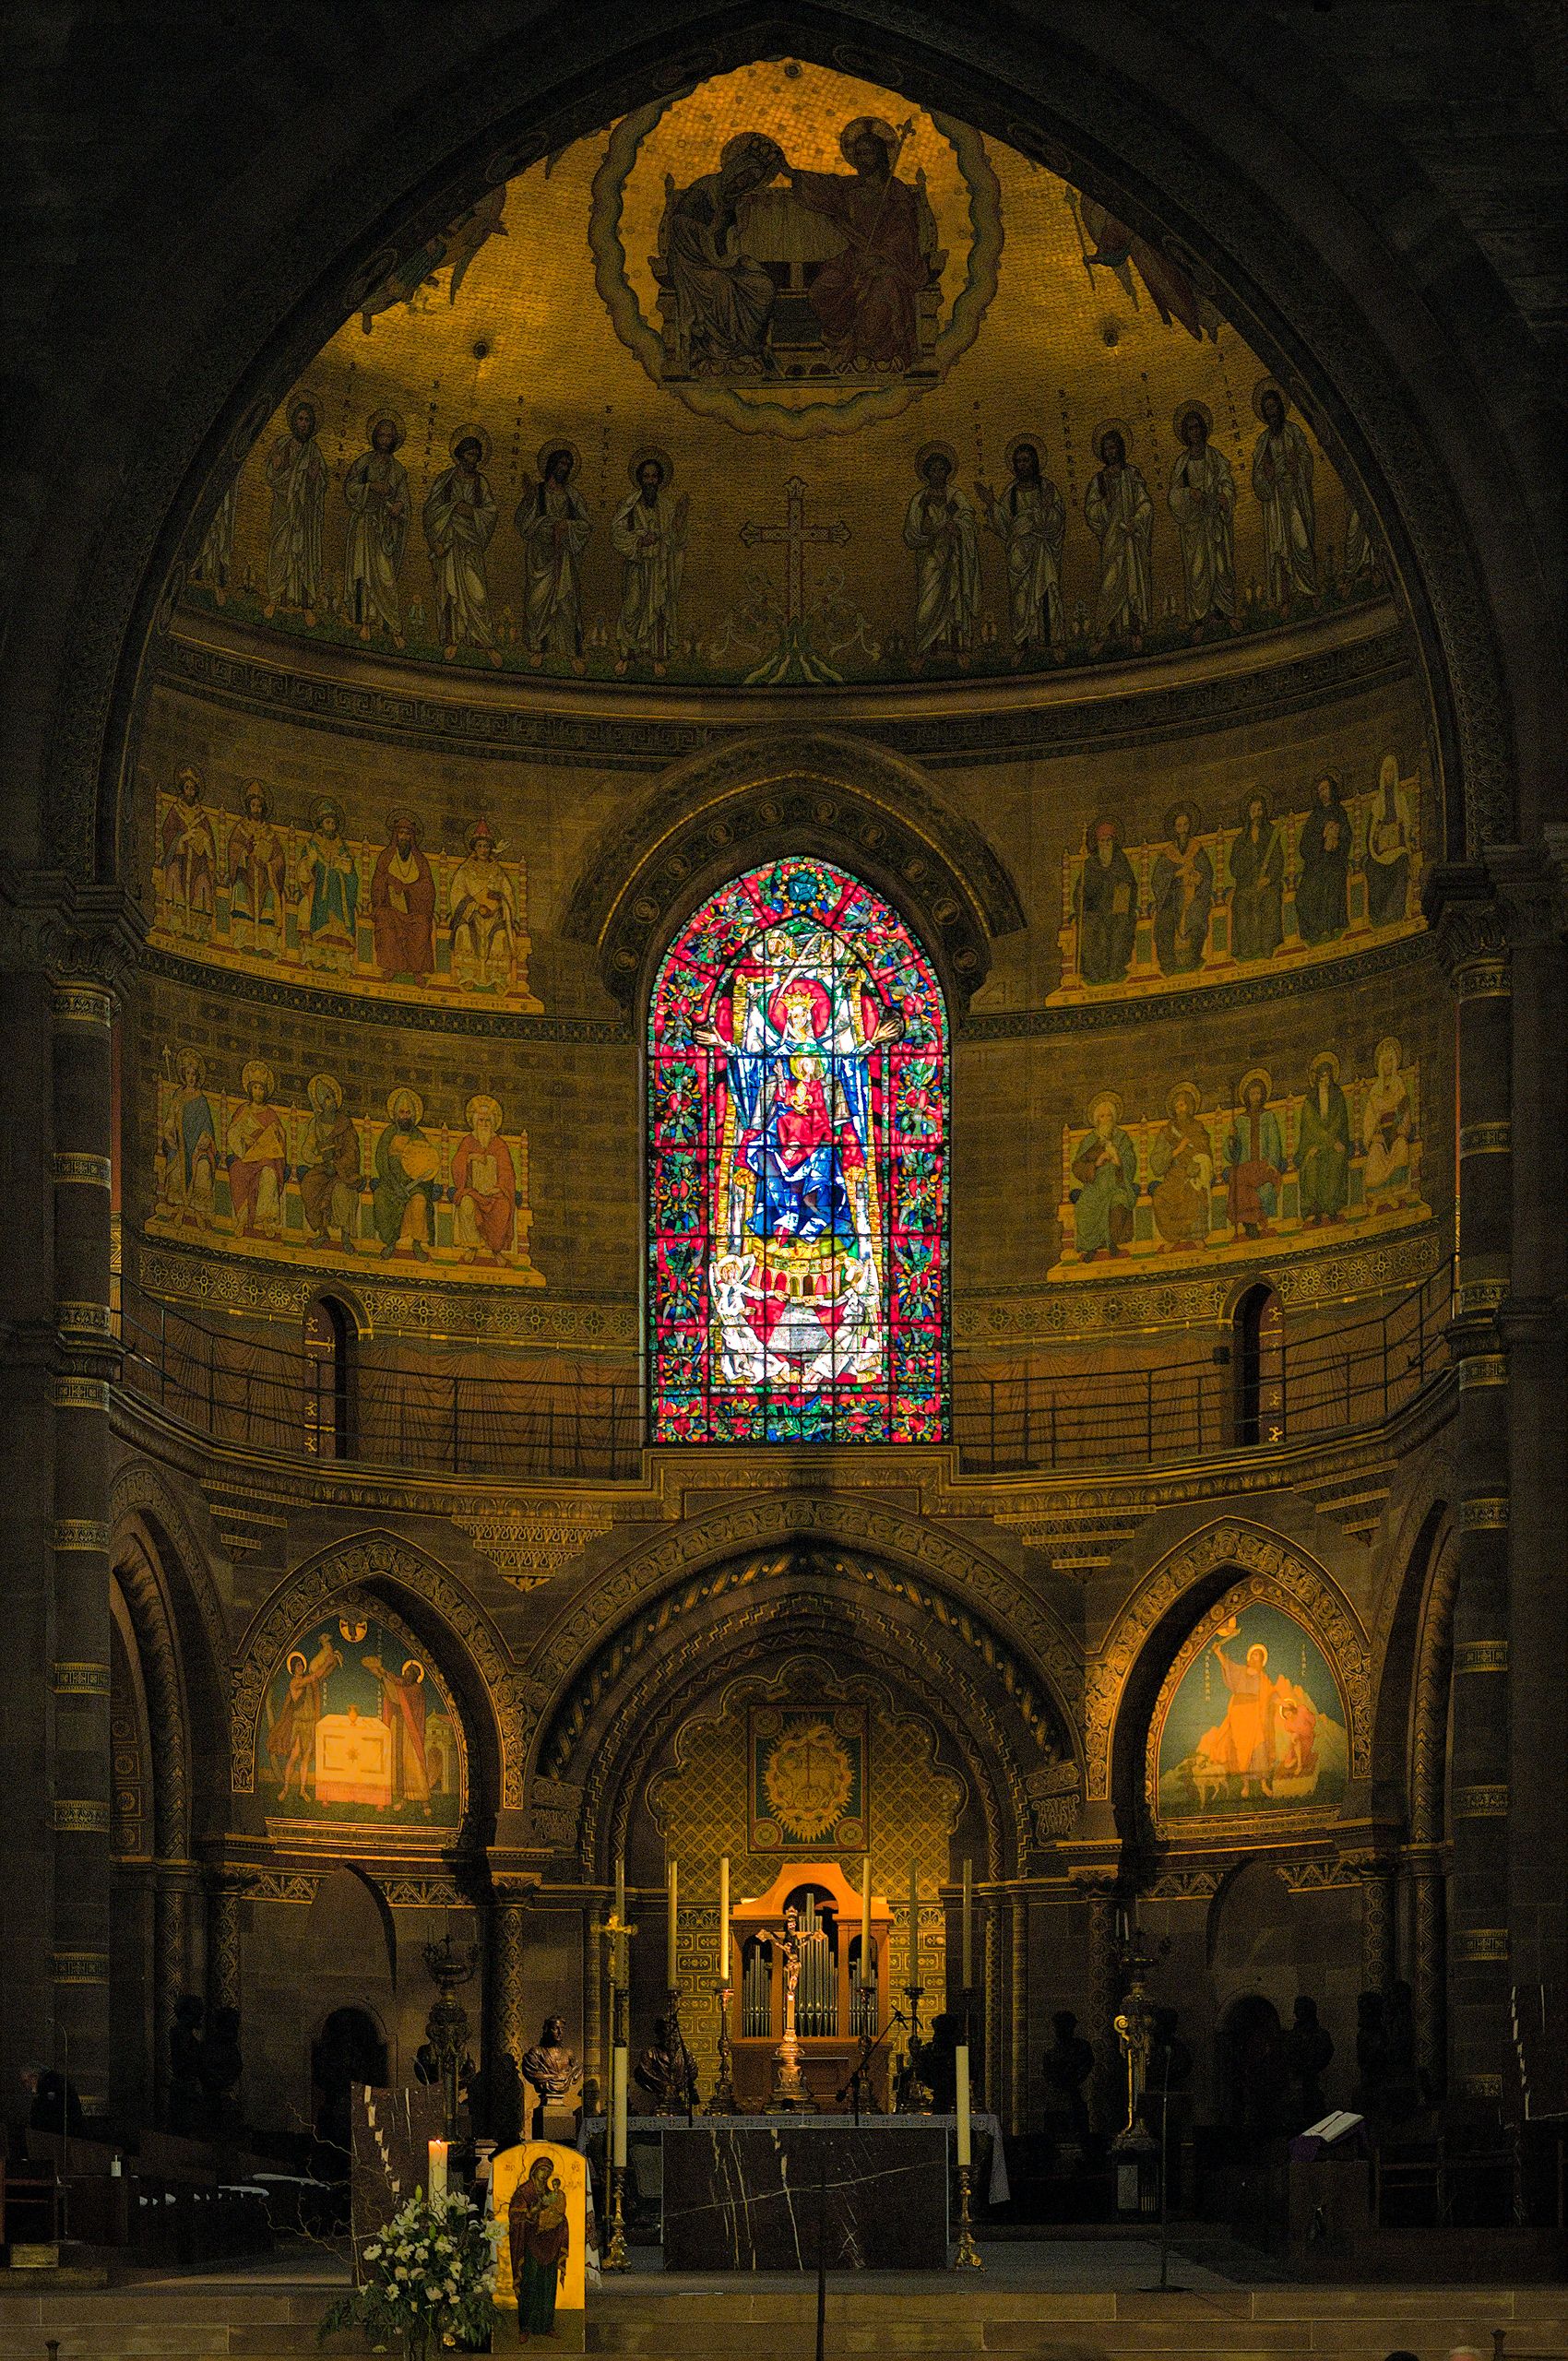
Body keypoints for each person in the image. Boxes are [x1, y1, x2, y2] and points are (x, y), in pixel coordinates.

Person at [786, 116, 927, 374]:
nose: (863, 159)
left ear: (882, 155)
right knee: (823, 289)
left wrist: (880, 257)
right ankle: (842, 344)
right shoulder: (849, 187)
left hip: (892, 263)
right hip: (854, 258)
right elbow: (823, 187)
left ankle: (874, 353)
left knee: (879, 296)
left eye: (869, 153)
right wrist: (790, 173)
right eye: (858, 153)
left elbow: (904, 235)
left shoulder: (896, 192)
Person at [661, 131, 783, 374]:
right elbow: (679, 225)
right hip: (692, 262)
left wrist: (735, 248)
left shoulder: (739, 202)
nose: (744, 183)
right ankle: (719, 351)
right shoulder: (706, 188)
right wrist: (711, 229)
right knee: (721, 287)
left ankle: (751, 347)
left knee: (762, 286)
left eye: (752, 180)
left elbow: (735, 239)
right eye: (743, 176)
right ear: (735, 168)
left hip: (720, 261)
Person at [978, 439, 1066, 661]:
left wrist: (1041, 514)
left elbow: (1057, 520)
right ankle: (1023, 645)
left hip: (1042, 552)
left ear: (1035, 462)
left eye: (1026, 460)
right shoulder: (1012, 492)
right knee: (1020, 601)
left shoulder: (1047, 488)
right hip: (1019, 557)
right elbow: (1006, 525)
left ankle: (1052, 643)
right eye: (1018, 461)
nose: (1022, 465)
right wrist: (991, 504)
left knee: (1046, 596)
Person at [423, 430, 503, 664]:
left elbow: (491, 512)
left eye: (477, 455)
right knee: (449, 593)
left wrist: (472, 512)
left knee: (477, 594)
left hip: (470, 547)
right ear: (459, 455)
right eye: (469, 454)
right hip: (449, 545)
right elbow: (430, 510)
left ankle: (484, 641)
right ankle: (452, 641)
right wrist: (452, 510)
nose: (473, 459)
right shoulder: (445, 479)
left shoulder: (481, 483)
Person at [903, 447, 980, 667]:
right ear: (926, 473)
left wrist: (957, 526)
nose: (938, 473)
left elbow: (968, 519)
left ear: (948, 472)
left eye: (942, 469)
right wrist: (932, 531)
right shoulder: (920, 499)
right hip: (930, 558)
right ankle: (925, 650)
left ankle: (958, 650)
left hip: (954, 556)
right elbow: (911, 532)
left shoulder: (954, 495)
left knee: (953, 601)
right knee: (928, 604)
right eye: (933, 469)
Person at [516, 445, 592, 667]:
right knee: (537, 601)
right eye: (560, 463)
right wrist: (545, 521)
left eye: (568, 465)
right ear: (551, 465)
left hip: (564, 557)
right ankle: (538, 647)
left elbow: (586, 525)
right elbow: (523, 523)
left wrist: (566, 526)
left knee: (566, 602)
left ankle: (569, 651)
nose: (564, 468)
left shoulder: (572, 495)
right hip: (540, 556)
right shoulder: (538, 492)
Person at [612, 454, 688, 675]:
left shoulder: (667, 507)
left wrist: (680, 521)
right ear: (639, 479)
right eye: (646, 476)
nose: (650, 481)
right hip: (637, 566)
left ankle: (657, 658)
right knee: (632, 608)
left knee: (659, 611)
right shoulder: (630, 505)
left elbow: (677, 540)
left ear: (660, 479)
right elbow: (616, 533)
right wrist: (639, 539)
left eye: (654, 476)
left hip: (659, 567)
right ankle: (626, 656)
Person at [1168, 403, 1237, 639]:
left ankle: (1226, 612)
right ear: (1185, 434)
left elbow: (1227, 482)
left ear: (1204, 429)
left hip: (1214, 522)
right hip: (1195, 527)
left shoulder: (1215, 456)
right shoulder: (1182, 463)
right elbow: (1174, 495)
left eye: (1197, 427)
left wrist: (1224, 496)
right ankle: (1200, 618)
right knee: (1198, 571)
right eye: (1189, 429)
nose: (1194, 432)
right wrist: (1189, 495)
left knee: (1220, 567)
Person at [1083, 425, 1153, 653]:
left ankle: (1134, 632)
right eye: (1107, 449)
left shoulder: (1131, 474)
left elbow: (1145, 503)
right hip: (1112, 542)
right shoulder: (1099, 481)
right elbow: (1091, 511)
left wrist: (1137, 520)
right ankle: (1106, 633)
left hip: (1131, 539)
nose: (1111, 452)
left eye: (1114, 447)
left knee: (1132, 583)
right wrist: (1106, 503)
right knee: (1109, 586)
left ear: (1121, 449)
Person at [343, 411, 410, 645]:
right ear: (374, 436)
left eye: (389, 436)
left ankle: (391, 625)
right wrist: (370, 487)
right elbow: (349, 487)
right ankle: (364, 623)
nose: (384, 440)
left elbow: (404, 499)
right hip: (364, 522)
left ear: (394, 440)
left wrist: (398, 507)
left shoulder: (399, 470)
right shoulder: (364, 461)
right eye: (381, 435)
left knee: (385, 577)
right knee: (362, 573)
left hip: (385, 529)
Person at [1251, 382, 1317, 612]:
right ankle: (1285, 599)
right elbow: (1257, 474)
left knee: (1301, 542)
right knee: (1279, 549)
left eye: (1273, 406)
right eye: (1266, 408)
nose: (1271, 412)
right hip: (1276, 501)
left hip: (1295, 495)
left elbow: (1306, 456)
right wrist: (1265, 477)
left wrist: (1297, 464)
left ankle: (1308, 590)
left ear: (1281, 407)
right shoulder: (1263, 441)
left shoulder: (1293, 431)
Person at [263, 397, 327, 623]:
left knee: (304, 556)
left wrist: (313, 479)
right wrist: (279, 466)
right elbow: (271, 477)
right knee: (281, 551)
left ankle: (305, 605)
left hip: (305, 515)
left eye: (308, 420)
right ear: (293, 420)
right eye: (300, 419)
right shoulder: (282, 444)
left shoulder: (314, 451)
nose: (303, 423)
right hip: (283, 511)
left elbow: (320, 485)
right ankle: (274, 598)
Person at [1198, 1636, 1278, 1797]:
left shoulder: (1263, 1678)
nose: (1256, 1658)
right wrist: (1217, 1652)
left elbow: (1272, 1694)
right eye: (1254, 1655)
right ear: (1249, 1657)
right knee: (1242, 1751)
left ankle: (1263, 1784)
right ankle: (1246, 1785)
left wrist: (1284, 1703)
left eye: (1259, 1656)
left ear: (1262, 1660)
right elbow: (1227, 1666)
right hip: (1239, 1715)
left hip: (1255, 1715)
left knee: (1259, 1747)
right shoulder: (1241, 1671)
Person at [446, 817, 517, 990]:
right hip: (471, 916)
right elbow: (457, 893)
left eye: (486, 846)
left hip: (494, 917)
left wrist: (500, 902)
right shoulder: (465, 870)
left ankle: (497, 978)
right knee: (464, 931)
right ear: (474, 848)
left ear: (490, 848)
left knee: (500, 936)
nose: (483, 850)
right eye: (479, 846)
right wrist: (476, 907)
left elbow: (508, 894)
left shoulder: (497, 871)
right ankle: (468, 975)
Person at [369, 811, 436, 981]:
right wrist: (389, 882)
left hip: (414, 911)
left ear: (412, 837)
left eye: (407, 834)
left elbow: (428, 888)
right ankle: (392, 967)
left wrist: (409, 889)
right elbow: (377, 880)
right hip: (391, 908)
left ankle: (417, 971)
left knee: (422, 925)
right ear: (395, 835)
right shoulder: (386, 856)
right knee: (384, 918)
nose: (404, 837)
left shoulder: (420, 860)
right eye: (401, 833)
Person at [509, 2153, 570, 2340]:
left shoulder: (550, 2193)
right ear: (535, 2171)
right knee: (530, 2283)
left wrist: (559, 2219)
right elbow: (515, 2217)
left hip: (550, 2245)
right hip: (531, 2245)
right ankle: (525, 2327)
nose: (545, 2174)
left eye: (548, 2171)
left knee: (548, 2284)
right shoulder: (524, 2192)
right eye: (543, 2170)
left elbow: (559, 2213)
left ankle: (547, 2325)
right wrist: (533, 2211)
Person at [372, 1086, 437, 1258]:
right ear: (395, 1114)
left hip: (414, 1185)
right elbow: (381, 1161)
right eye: (402, 1112)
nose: (405, 1115)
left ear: (414, 1115)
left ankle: (416, 1243)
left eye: (408, 1112)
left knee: (420, 1201)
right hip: (390, 1184)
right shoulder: (389, 1134)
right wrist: (395, 1185)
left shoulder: (418, 1136)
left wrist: (414, 1183)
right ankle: (390, 1243)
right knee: (380, 1197)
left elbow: (427, 1162)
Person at [451, 1093, 517, 1264]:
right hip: (472, 1191)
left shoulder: (499, 1144)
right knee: (466, 1204)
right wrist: (470, 1157)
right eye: (481, 1120)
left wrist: (498, 1188)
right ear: (474, 1121)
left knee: (503, 1207)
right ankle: (472, 1246)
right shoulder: (468, 1141)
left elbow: (507, 1171)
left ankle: (496, 1250)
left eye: (488, 1121)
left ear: (493, 1123)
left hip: (494, 1193)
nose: (484, 1124)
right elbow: (457, 1165)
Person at [361, 1652, 431, 1810]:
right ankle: (403, 1797)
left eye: (410, 1674)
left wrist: (381, 1673)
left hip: (410, 1731)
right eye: (405, 1672)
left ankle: (424, 1800)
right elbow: (394, 1688)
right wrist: (379, 1673)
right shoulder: (403, 1686)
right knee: (398, 1763)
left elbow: (396, 1695)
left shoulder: (416, 1689)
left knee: (413, 1764)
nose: (406, 1676)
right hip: (398, 1727)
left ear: (416, 1677)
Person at [226, 1059, 287, 1239]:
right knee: (236, 1170)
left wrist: (277, 1134)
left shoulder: (270, 1113)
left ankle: (265, 1220)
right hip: (246, 1158)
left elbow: (280, 1140)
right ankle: (242, 1219)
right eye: (255, 1088)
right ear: (250, 1089)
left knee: (269, 1172)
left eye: (261, 1088)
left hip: (265, 1159)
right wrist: (245, 1141)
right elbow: (233, 1133)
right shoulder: (243, 1110)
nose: (258, 1092)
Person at [1072, 1093, 1137, 1261]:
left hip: (1117, 1183)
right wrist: (1096, 1163)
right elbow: (1077, 1167)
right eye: (1102, 1116)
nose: (1106, 1119)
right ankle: (1091, 1247)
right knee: (1085, 1206)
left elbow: (1131, 1162)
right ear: (1096, 1120)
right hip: (1095, 1185)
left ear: (1114, 1117)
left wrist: (1117, 1160)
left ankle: (1112, 1242)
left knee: (1120, 1201)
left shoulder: (1121, 1138)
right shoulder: (1089, 1141)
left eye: (1109, 1115)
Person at [299, 1073, 361, 1247]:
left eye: (333, 1096)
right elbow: (306, 1151)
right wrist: (319, 1159)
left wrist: (337, 1165)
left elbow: (353, 1152)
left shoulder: (345, 1124)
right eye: (327, 1098)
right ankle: (322, 1232)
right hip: (323, 1169)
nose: (332, 1100)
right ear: (320, 1102)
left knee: (342, 1191)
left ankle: (345, 1237)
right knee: (308, 1185)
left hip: (343, 1171)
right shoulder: (316, 1124)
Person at [159, 1049, 219, 1228]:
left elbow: (207, 1129)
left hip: (198, 1149)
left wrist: (204, 1140)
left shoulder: (201, 1100)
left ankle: (198, 1210)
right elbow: (169, 1121)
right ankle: (179, 1207)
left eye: (194, 1074)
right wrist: (170, 1136)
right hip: (179, 1147)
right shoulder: (177, 1096)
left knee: (203, 1167)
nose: (191, 1077)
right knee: (176, 1168)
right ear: (183, 1075)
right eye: (188, 1074)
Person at [297, 799, 360, 969]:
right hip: (319, 894)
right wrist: (311, 862)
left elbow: (353, 878)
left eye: (333, 823)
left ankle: (340, 963)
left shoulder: (343, 848)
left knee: (340, 930)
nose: (331, 826)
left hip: (340, 898)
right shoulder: (312, 845)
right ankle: (317, 959)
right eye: (327, 822)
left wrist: (347, 871)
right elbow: (303, 873)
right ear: (320, 824)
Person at [1151, 803, 1213, 975]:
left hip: (1195, 895)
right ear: (1174, 829)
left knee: (1197, 913)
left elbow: (1207, 874)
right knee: (1164, 921)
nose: (1183, 829)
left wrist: (1199, 878)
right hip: (1171, 898)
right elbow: (1158, 880)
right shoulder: (1168, 853)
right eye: (1179, 826)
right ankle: (1168, 964)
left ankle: (1193, 958)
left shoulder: (1197, 849)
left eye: (1186, 825)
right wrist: (1178, 873)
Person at [1149, 1084, 1212, 1249]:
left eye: (1182, 1105)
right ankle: (1173, 1238)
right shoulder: (1167, 1131)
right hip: (1173, 1175)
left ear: (1190, 1106)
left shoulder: (1198, 1128)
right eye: (1176, 1107)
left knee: (1194, 1193)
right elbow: (1156, 1163)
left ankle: (1197, 1237)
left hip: (1193, 1174)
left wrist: (1198, 1165)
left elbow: (1206, 1153)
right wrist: (1178, 1150)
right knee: (1160, 1196)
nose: (1180, 1110)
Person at [1077, 819, 1137, 984]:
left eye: (1108, 840)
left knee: (1120, 928)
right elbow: (1080, 892)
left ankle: (1114, 970)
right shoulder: (1090, 864)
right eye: (1102, 841)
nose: (1105, 844)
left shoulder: (1120, 861)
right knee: (1089, 931)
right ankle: (1093, 972)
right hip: (1095, 910)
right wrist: (1082, 895)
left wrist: (1120, 901)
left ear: (1114, 841)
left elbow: (1129, 885)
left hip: (1117, 909)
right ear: (1097, 843)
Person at [1294, 771, 1351, 945]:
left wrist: (1336, 834)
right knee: (1302, 897)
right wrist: (1322, 836)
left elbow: (1347, 837)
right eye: (1319, 791)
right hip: (1315, 864)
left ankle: (1329, 928)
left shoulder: (1340, 812)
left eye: (1325, 789)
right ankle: (1314, 931)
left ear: (1332, 790)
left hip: (1335, 862)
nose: (1322, 793)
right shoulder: (1315, 817)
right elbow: (1304, 847)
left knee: (1330, 886)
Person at [1225, 1070, 1284, 1239]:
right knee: (1238, 1179)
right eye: (1252, 1093)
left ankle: (1258, 1219)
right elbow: (1232, 1155)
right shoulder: (1240, 1120)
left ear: (1263, 1095)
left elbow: (1275, 1144)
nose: (1255, 1097)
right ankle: (1249, 1223)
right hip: (1246, 1166)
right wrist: (1231, 1141)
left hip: (1264, 1165)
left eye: (1258, 1093)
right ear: (1246, 1096)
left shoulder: (1269, 1117)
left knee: (1262, 1186)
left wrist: (1272, 1164)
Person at [160, 765, 217, 939]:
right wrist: (183, 838)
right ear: (182, 789)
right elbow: (167, 832)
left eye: (193, 789)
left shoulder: (201, 815)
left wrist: (205, 843)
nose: (190, 791)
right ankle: (175, 922)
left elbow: (210, 841)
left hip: (198, 863)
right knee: (174, 874)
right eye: (187, 787)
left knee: (203, 883)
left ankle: (199, 928)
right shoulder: (175, 810)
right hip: (180, 858)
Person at [226, 781, 286, 942]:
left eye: (259, 806)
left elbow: (279, 858)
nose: (256, 809)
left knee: (270, 897)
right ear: (248, 806)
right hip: (246, 877)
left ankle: (267, 941)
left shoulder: (269, 832)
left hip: (265, 880)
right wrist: (245, 852)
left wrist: (268, 864)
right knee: (240, 889)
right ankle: (242, 937)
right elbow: (233, 849)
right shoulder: (241, 828)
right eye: (253, 805)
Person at [1229, 791, 1285, 962]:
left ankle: (1267, 946)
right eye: (1253, 810)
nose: (1257, 814)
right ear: (1248, 813)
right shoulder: (1241, 840)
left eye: (1260, 809)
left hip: (1268, 884)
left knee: (1270, 902)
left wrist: (1268, 878)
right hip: (1246, 886)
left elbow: (1278, 859)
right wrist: (1248, 853)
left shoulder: (1271, 834)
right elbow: (1234, 869)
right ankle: (1246, 949)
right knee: (1241, 905)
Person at [1296, 1052, 1351, 1226]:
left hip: (1334, 1143)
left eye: (1329, 1077)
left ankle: (1332, 1208)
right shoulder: (1310, 1101)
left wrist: (1333, 1142)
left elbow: (1339, 1120)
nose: (1326, 1081)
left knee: (1336, 1161)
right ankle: (1316, 1209)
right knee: (1312, 1166)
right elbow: (1312, 1127)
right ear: (1317, 1079)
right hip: (1313, 1145)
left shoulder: (1338, 1095)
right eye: (1322, 1078)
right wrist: (1321, 1144)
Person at [1361, 1036, 1413, 1204]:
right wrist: (1373, 1137)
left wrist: (1401, 1130)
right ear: (1380, 1065)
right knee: (1375, 1155)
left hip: (1396, 1133)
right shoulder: (1375, 1092)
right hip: (1380, 1136)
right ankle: (1379, 1198)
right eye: (1385, 1062)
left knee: (1401, 1148)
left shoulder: (1399, 1086)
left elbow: (1404, 1113)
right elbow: (1369, 1120)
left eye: (1391, 1061)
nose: (1388, 1066)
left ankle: (1397, 1193)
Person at [1365, 753, 1414, 927]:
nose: (1389, 776)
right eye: (1386, 772)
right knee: (1373, 870)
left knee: (1401, 866)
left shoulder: (1400, 799)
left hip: (1398, 848)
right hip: (1379, 851)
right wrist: (1377, 844)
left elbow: (1407, 827)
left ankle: (1393, 914)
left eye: (1392, 772)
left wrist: (1399, 828)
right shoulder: (1378, 802)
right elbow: (1371, 833)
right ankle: (1378, 916)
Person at [1041, 2012, 1094, 2157]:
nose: (1059, 2030)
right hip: (1056, 2098)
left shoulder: (1081, 2047)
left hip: (1072, 2095)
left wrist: (1070, 2079)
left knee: (1076, 2131)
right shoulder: (1050, 2050)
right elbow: (1048, 2072)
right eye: (1057, 2027)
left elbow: (1084, 2067)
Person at [1282, 1996, 1334, 2130]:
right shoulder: (1291, 2037)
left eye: (1299, 2009)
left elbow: (1323, 2056)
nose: (1295, 2013)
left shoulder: (1321, 2036)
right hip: (1297, 2092)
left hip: (1312, 2089)